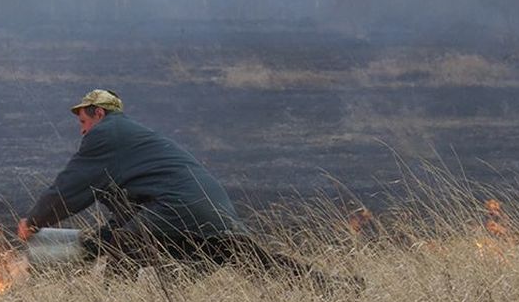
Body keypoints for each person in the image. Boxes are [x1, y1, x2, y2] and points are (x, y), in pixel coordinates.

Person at [18, 89, 341, 286]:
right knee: (258, 262)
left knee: (124, 244)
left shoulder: (107, 135)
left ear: (99, 114)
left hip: (178, 208)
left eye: (83, 122)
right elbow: (133, 208)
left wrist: (34, 221)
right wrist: (96, 239)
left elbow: (69, 186)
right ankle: (335, 288)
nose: (82, 130)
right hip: (213, 208)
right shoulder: (133, 139)